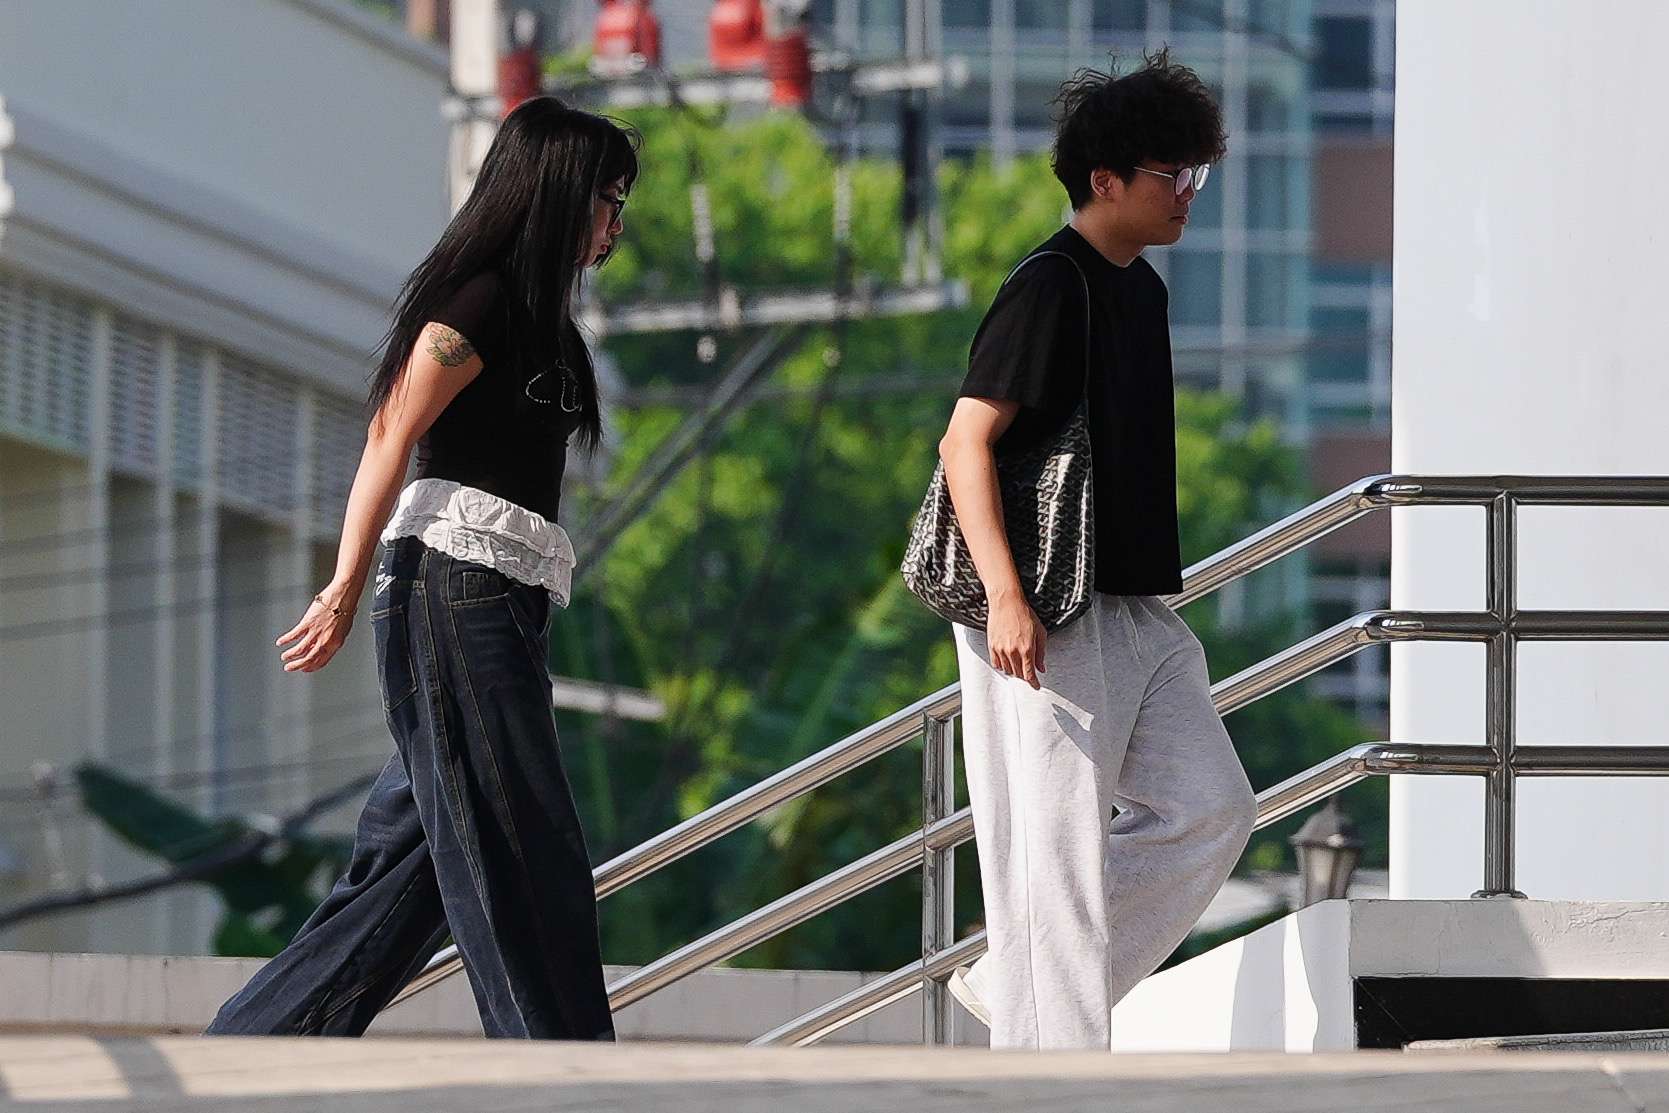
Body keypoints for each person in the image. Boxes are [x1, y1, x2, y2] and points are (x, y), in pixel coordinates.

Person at [204, 97, 637, 1041]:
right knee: (522, 839)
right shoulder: (478, 302)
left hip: (504, 597)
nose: (614, 222)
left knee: (407, 875)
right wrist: (342, 587)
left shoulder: (550, 326)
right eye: (607, 198)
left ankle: (251, 1047)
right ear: (558, 193)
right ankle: (567, 1067)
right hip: (452, 586)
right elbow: (389, 434)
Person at [935, 53, 1258, 1050]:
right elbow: (963, 444)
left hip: (1131, 606)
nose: (1188, 193)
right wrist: (1004, 597)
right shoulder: (1049, 286)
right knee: (1057, 854)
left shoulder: (1139, 292)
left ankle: (1015, 983)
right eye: (1172, 175)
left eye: (1197, 173)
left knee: (1210, 808)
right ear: (1105, 179)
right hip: (1044, 607)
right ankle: (1052, 1069)